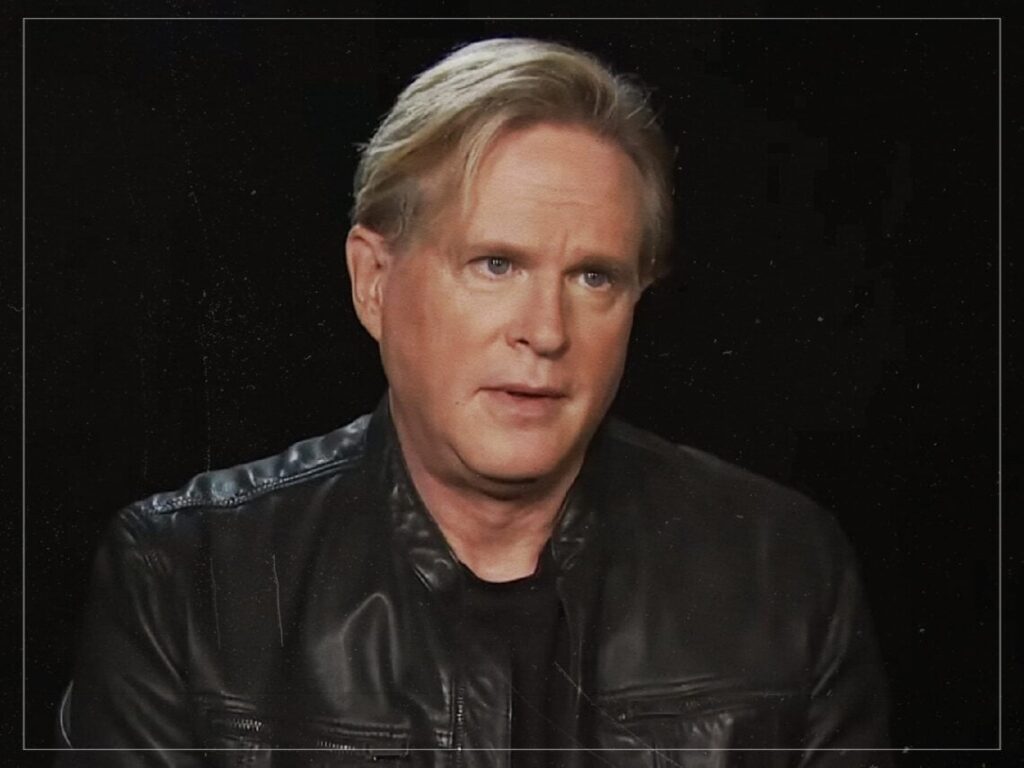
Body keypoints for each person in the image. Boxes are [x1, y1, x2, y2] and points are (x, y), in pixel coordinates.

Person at [56, 37, 890, 766]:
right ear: (373, 281)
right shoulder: (186, 581)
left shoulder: (785, 573)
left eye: (593, 277)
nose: (545, 331)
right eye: (496, 264)